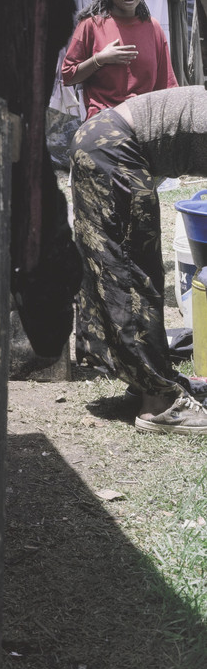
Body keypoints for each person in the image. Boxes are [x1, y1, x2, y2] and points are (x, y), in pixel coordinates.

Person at [70, 85, 207, 433]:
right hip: (112, 147)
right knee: (130, 273)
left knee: (119, 268)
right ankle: (160, 404)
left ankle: (148, 377)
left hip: (101, 138)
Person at [61, 0, 178, 121]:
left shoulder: (153, 27)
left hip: (145, 119)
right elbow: (68, 76)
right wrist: (100, 59)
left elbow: (166, 84)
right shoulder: (91, 25)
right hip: (104, 119)